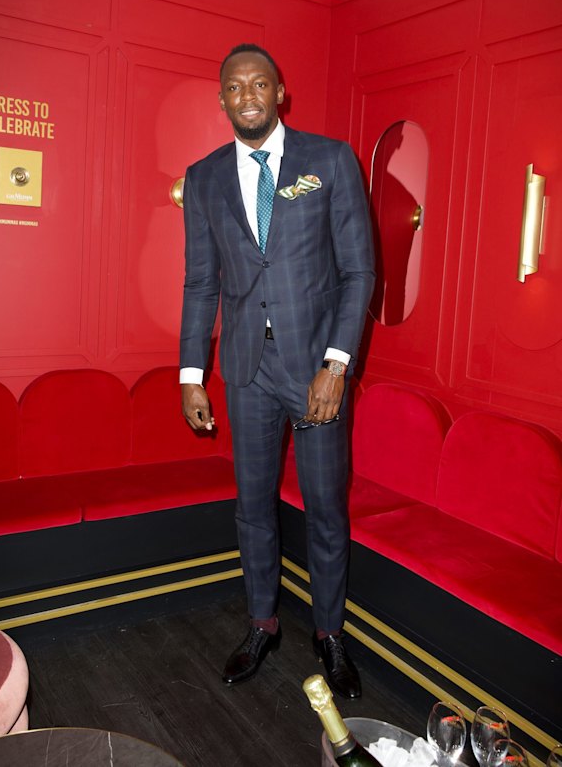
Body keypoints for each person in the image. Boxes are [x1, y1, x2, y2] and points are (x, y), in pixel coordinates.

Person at [180, 44, 375, 699]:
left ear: (280, 90)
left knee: (324, 509)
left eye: (259, 83)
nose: (247, 94)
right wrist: (189, 373)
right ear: (222, 99)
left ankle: (329, 635)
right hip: (246, 372)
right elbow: (200, 282)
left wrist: (337, 365)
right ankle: (263, 624)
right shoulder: (204, 177)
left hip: (315, 371)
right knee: (252, 508)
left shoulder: (329, 160)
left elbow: (359, 271)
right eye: (234, 86)